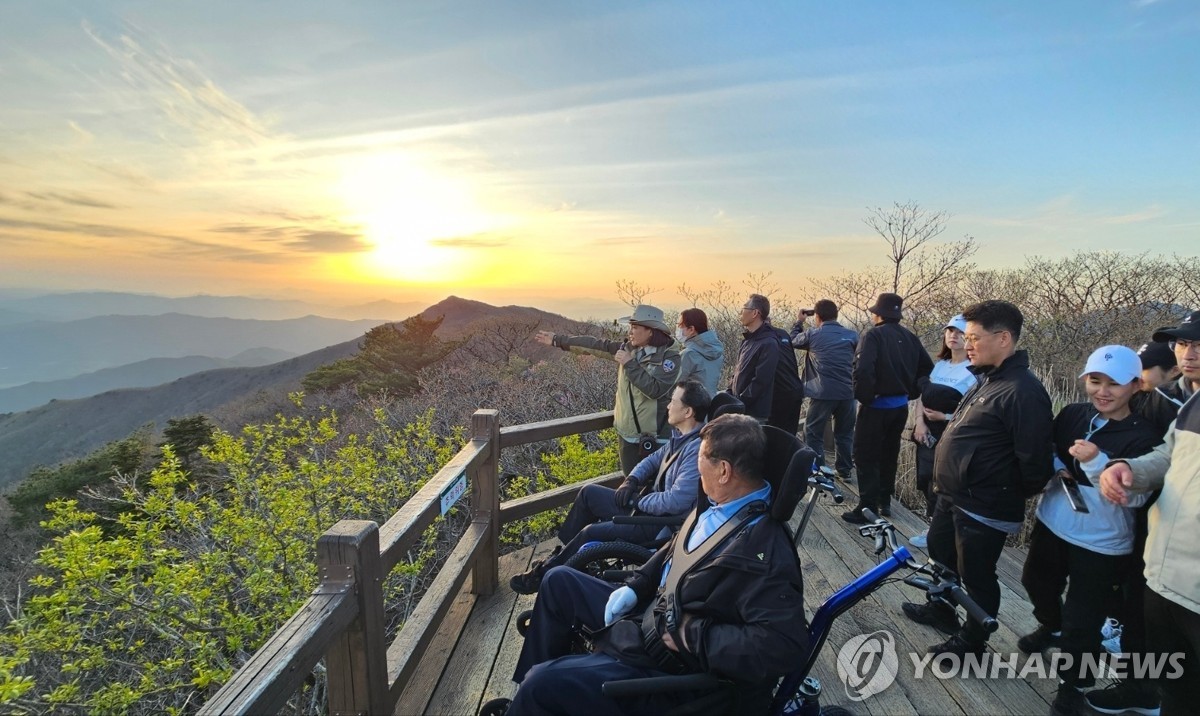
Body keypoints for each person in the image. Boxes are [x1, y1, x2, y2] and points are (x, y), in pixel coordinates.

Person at [505, 414, 809, 716]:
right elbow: (675, 548)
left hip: (669, 668)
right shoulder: (722, 505)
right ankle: (533, 702)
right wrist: (637, 585)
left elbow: (782, 644)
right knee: (559, 580)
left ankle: (538, 697)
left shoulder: (763, 550)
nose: (696, 468)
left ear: (724, 471)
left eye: (701, 459)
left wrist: (690, 634)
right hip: (651, 613)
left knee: (541, 684)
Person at [900, 300, 1054, 658]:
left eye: (973, 337)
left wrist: (995, 489)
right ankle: (941, 608)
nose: (966, 344)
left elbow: (1034, 462)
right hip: (953, 495)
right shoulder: (989, 379)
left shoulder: (1023, 391)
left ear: (1003, 338)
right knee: (941, 553)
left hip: (983, 503)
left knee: (977, 574)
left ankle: (972, 643)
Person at [1016, 346, 1161, 716]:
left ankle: (1072, 688)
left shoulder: (1144, 436)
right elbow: (1048, 447)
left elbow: (1133, 500)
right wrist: (1057, 465)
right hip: (1054, 523)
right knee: (1036, 582)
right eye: (1096, 381)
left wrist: (1096, 463)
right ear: (1085, 381)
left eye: (1115, 384)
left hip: (1102, 543)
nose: (1104, 391)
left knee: (1085, 620)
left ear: (1135, 386)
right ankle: (1051, 625)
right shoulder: (1073, 414)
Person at [509, 380, 711, 594]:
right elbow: (652, 460)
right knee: (589, 493)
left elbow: (676, 501)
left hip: (657, 522)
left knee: (589, 532)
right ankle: (562, 556)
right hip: (645, 508)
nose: (668, 406)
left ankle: (543, 576)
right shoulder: (680, 437)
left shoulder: (695, 450)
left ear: (688, 411)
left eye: (673, 401)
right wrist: (631, 480)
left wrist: (636, 500)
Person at [1097, 311, 1200, 716]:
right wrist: (1130, 469)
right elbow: (1169, 454)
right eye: (1182, 343)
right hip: (1162, 575)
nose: (1188, 353)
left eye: (1199, 345)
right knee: (1176, 691)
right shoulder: (1191, 404)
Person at [537, 305, 681, 475]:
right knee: (630, 486)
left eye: (635, 327)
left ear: (651, 331)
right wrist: (558, 340)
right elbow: (596, 345)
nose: (630, 332)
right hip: (627, 434)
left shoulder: (669, 358)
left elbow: (655, 390)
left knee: (654, 488)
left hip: (656, 438)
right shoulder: (629, 349)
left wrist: (629, 364)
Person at [844, 292, 933, 524]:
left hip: (876, 407)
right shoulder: (910, 338)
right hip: (900, 407)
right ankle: (885, 502)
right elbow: (926, 367)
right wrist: (910, 392)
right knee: (888, 454)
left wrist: (865, 397)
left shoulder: (873, 336)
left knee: (865, 455)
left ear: (878, 314)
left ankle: (867, 507)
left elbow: (862, 370)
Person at [908, 314, 976, 548]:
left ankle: (941, 533)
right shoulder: (940, 366)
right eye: (950, 331)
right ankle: (933, 528)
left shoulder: (974, 370)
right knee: (926, 478)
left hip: (953, 433)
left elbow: (974, 408)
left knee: (943, 482)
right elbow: (922, 398)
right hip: (927, 432)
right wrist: (920, 422)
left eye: (960, 333)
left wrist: (945, 417)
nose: (953, 336)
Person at [790, 299, 858, 481]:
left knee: (813, 433)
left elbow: (792, 341)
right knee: (845, 434)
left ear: (817, 316)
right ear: (836, 315)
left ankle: (818, 471)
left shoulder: (813, 334)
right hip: (848, 393)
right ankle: (845, 471)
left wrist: (799, 322)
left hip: (822, 393)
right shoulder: (852, 336)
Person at [731, 293, 803, 434]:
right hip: (750, 404)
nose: (741, 312)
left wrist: (741, 401)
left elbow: (761, 380)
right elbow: (739, 371)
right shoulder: (748, 340)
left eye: (744, 308)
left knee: (777, 443)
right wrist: (731, 393)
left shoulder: (768, 342)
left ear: (755, 313)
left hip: (766, 405)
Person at [675, 308, 724, 396]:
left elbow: (675, 386)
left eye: (680, 326)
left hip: (690, 406)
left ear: (691, 329)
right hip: (710, 403)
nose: (678, 330)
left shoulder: (688, 354)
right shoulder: (717, 351)